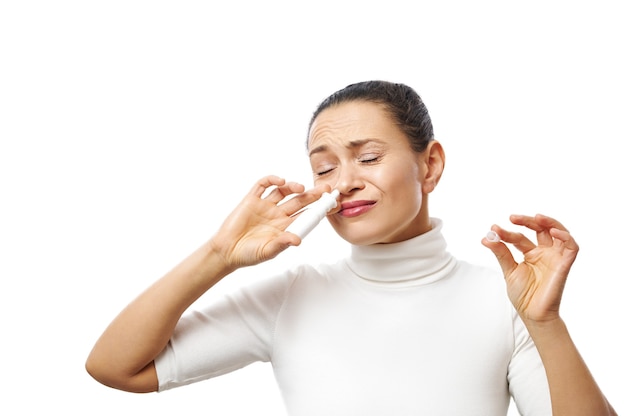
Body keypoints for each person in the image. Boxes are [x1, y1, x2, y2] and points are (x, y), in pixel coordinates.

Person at [86, 80, 616, 415]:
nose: (343, 182)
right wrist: (218, 256)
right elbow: (115, 367)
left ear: (429, 165)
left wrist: (546, 325)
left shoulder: (507, 303)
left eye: (367, 157)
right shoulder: (290, 297)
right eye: (324, 167)